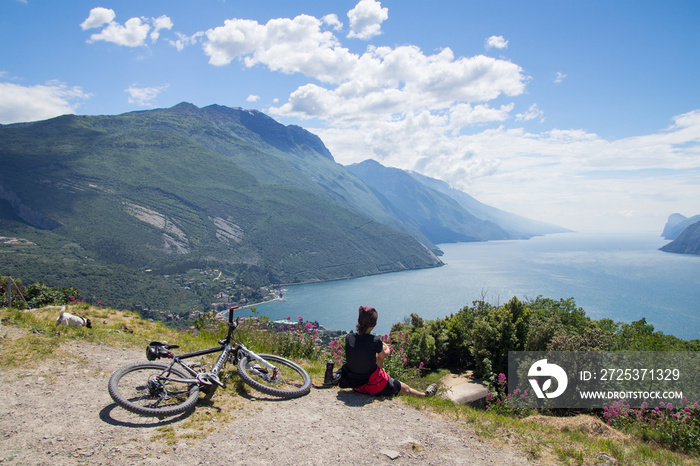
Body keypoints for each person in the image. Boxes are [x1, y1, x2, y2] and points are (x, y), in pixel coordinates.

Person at [339, 306, 437, 397]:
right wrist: (386, 347)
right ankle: (425, 395)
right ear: (374, 324)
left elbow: (363, 349)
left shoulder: (349, 338)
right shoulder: (375, 341)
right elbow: (384, 355)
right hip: (371, 386)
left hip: (355, 384)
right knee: (405, 389)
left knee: (377, 355)